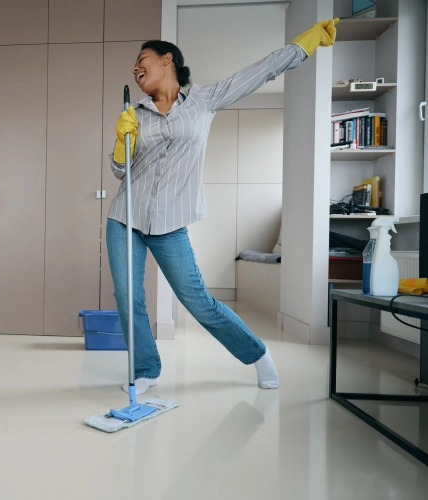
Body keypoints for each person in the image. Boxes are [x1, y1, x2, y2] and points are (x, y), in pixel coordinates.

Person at [107, 19, 339, 395]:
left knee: (197, 300)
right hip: (124, 218)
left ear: (167, 59)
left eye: (142, 59)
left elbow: (261, 71)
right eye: (133, 65)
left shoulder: (204, 100)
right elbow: (121, 171)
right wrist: (122, 142)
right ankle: (146, 369)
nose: (135, 68)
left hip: (170, 221)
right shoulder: (134, 114)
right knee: (128, 298)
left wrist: (304, 44)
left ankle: (257, 354)